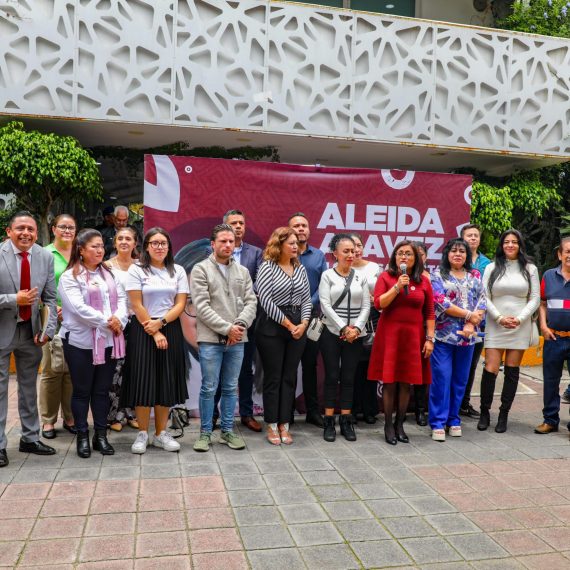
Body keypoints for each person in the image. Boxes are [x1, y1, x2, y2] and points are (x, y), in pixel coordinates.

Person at [59, 229, 128, 458]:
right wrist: (108, 322)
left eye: (101, 246)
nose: (100, 250)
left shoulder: (110, 274)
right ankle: (82, 436)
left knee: (101, 391)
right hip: (80, 342)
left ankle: (100, 436)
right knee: (82, 391)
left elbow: (122, 301)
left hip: (107, 342)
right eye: (94, 246)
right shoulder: (70, 276)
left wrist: (120, 319)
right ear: (81, 249)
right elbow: (77, 308)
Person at [122, 227, 189, 454]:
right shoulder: (137, 270)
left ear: (169, 247)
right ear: (146, 247)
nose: (159, 247)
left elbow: (180, 304)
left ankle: (160, 434)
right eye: (155, 243)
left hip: (170, 329)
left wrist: (160, 324)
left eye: (163, 243)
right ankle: (142, 433)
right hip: (143, 330)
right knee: (143, 381)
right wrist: (154, 330)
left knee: (165, 381)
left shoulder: (177, 270)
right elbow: (136, 304)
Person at [191, 224, 257, 452]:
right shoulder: (201, 269)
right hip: (210, 339)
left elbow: (251, 302)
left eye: (231, 241)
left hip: (238, 339)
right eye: (223, 241)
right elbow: (201, 306)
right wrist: (227, 328)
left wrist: (238, 326)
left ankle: (227, 431)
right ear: (213, 244)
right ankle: (205, 434)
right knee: (209, 388)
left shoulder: (243, 272)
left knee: (230, 388)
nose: (228, 245)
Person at [0, 211, 58, 467]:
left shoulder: (45, 256)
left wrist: (48, 330)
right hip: (2, 331)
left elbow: (51, 298)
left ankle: (30, 438)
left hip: (31, 333)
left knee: (27, 388)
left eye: (31, 229)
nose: (26, 233)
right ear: (8, 231)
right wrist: (15, 299)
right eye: (20, 228)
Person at [368, 240, 435, 445]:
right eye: (399, 253)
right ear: (394, 257)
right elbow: (379, 303)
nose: (403, 257)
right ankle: (388, 425)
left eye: (408, 254)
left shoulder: (424, 281)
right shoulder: (386, 277)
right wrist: (397, 287)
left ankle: (400, 424)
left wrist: (430, 339)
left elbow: (430, 312)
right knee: (389, 382)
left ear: (416, 259)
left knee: (406, 382)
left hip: (413, 336)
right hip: (390, 335)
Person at [477, 229, 539, 433]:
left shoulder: (529, 268)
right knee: (490, 369)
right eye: (506, 242)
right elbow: (484, 296)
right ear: (501, 245)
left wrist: (520, 319)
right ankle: (485, 411)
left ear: (520, 245)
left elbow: (535, 298)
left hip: (520, 326)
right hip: (496, 323)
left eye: (514, 242)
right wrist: (499, 318)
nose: (510, 245)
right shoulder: (492, 268)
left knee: (512, 371)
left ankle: (504, 414)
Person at [256, 227, 312, 445]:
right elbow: (266, 300)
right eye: (291, 243)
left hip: (299, 326)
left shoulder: (300, 268)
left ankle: (284, 424)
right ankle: (271, 424)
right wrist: (289, 325)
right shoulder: (267, 267)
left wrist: (304, 323)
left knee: (289, 377)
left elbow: (307, 299)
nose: (295, 246)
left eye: (296, 243)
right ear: (278, 245)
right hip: (272, 327)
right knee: (274, 377)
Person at [430, 238, 486, 442]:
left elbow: (482, 301)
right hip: (443, 337)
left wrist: (471, 324)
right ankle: (437, 422)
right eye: (453, 251)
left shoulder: (474, 276)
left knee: (460, 380)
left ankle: (453, 419)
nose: (458, 254)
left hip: (468, 338)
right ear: (446, 254)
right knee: (442, 378)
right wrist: (468, 315)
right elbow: (440, 302)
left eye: (462, 251)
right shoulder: (437, 275)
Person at [212, 209, 263, 433]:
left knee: (245, 370)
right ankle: (212, 415)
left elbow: (258, 284)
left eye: (241, 223)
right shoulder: (212, 253)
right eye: (233, 223)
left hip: (246, 321)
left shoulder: (256, 253)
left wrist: (242, 316)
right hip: (219, 320)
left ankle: (246, 413)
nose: (238, 226)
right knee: (217, 370)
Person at [319, 234, 370, 442]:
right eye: (346, 251)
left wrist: (356, 328)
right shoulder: (327, 276)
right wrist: (343, 328)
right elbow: (325, 305)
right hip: (332, 333)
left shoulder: (361, 276)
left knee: (349, 378)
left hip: (355, 335)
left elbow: (367, 304)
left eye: (353, 251)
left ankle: (346, 421)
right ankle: (329, 421)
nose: (351, 255)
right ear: (335, 254)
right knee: (332, 377)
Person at [39, 214, 77, 439]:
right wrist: (51, 308)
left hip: (77, 319)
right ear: (54, 229)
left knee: (73, 370)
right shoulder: (44, 254)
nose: (67, 231)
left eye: (71, 227)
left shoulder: (80, 252)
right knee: (51, 369)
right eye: (62, 227)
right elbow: (36, 285)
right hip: (51, 318)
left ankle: (70, 417)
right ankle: (48, 420)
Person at [289, 213, 328, 427]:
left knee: (310, 365)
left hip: (313, 318)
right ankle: (288, 411)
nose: (301, 229)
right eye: (296, 226)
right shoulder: (284, 254)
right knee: (289, 366)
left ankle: (313, 412)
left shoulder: (318, 256)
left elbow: (324, 287)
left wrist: (306, 303)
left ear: (309, 230)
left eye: (304, 225)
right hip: (288, 318)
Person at [535, 237, 570, 434]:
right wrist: (543, 326)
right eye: (567, 252)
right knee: (550, 381)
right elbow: (542, 303)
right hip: (554, 338)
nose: (569, 256)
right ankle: (550, 420)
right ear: (559, 254)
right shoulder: (548, 276)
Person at [106, 227, 139, 432]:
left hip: (138, 322)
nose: (124, 242)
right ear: (115, 242)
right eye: (120, 238)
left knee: (135, 369)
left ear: (135, 243)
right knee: (115, 371)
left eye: (128, 238)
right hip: (115, 324)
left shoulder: (142, 266)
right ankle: (114, 415)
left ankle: (131, 412)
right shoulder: (106, 267)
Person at [460, 224, 492, 418]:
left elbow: (487, 293)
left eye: (476, 236)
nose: (472, 238)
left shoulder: (487, 263)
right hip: (455, 322)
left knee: (471, 365)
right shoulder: (454, 260)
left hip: (479, 321)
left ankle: (465, 402)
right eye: (469, 235)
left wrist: (477, 316)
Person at [350, 233, 380, 424]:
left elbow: (382, 294)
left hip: (373, 321)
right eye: (352, 246)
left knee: (370, 367)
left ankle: (370, 410)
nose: (356, 249)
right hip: (350, 322)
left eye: (359, 245)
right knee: (352, 368)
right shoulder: (341, 269)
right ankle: (352, 409)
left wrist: (374, 300)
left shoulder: (374, 267)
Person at [411, 241, 431, 426]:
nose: (417, 257)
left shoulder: (430, 278)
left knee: (421, 372)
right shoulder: (401, 276)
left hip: (425, 331)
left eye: (421, 254)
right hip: (408, 329)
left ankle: (420, 410)